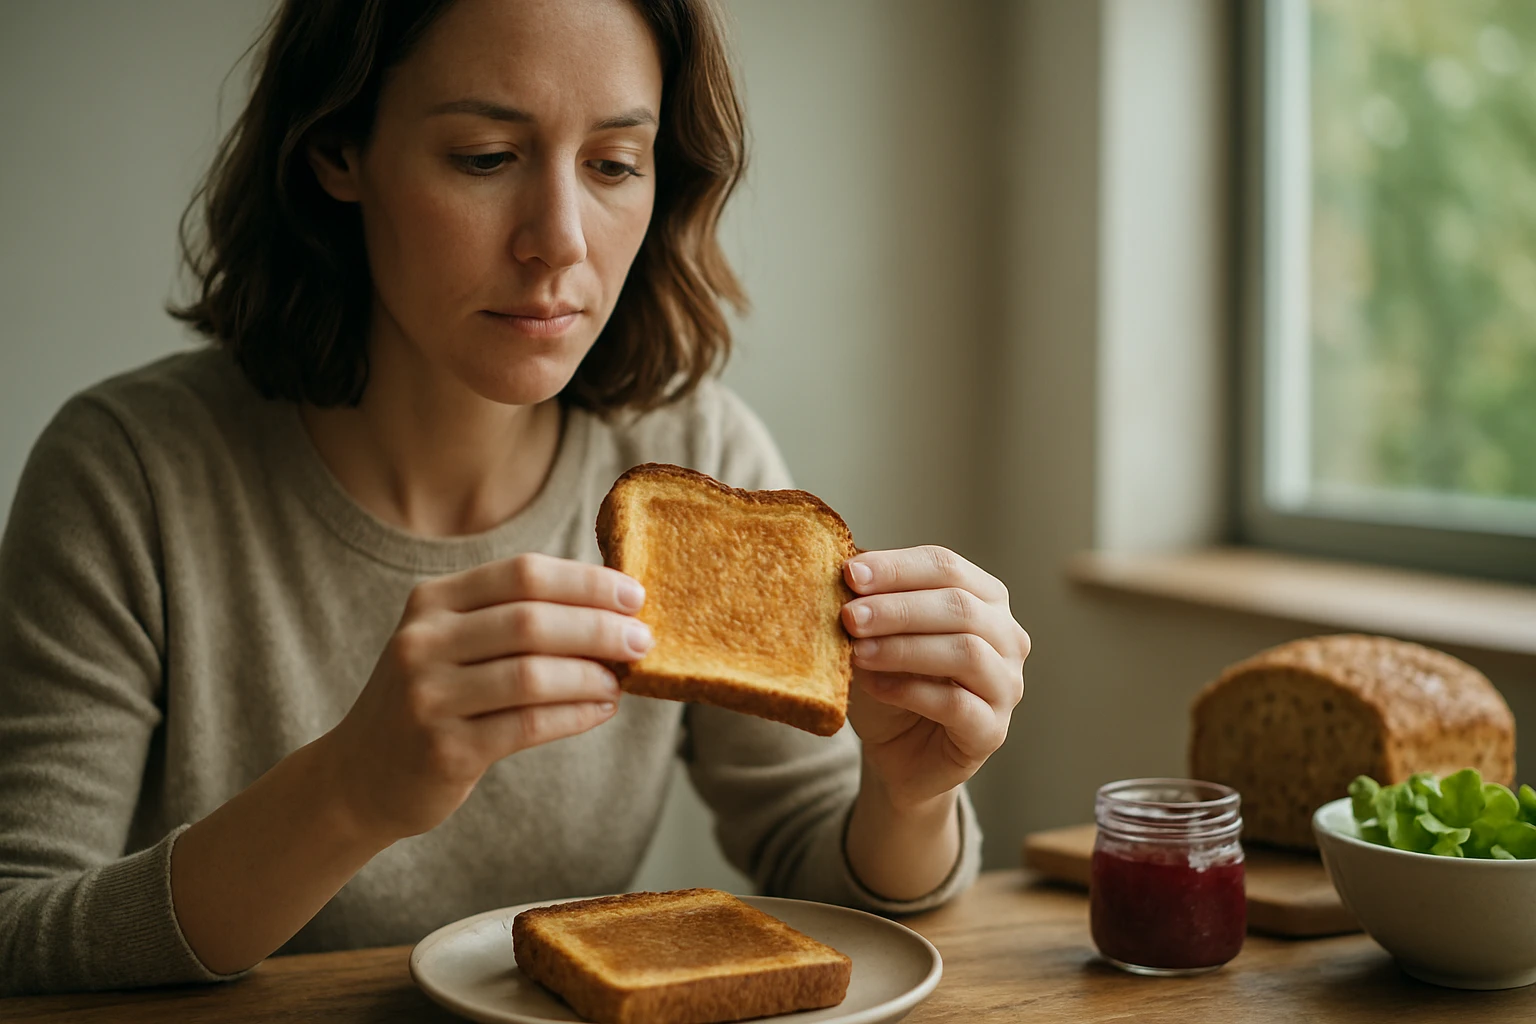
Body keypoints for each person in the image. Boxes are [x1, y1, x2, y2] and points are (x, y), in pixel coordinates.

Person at [0, 0, 1030, 996]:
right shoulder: (126, 475)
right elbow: (17, 928)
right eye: (486, 158)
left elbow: (820, 864)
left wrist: (909, 792)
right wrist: (349, 790)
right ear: (339, 150)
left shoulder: (694, 454)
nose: (561, 240)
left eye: (614, 165)